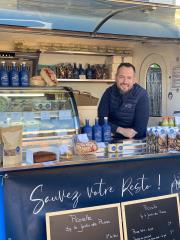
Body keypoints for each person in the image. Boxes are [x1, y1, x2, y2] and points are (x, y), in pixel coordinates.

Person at [98, 62, 149, 139]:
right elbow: (101, 120)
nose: (125, 81)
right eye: (121, 77)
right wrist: (120, 130)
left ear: (134, 80)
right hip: (110, 140)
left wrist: (112, 131)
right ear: (116, 78)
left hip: (134, 141)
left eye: (129, 78)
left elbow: (140, 130)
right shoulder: (109, 92)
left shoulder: (142, 95)